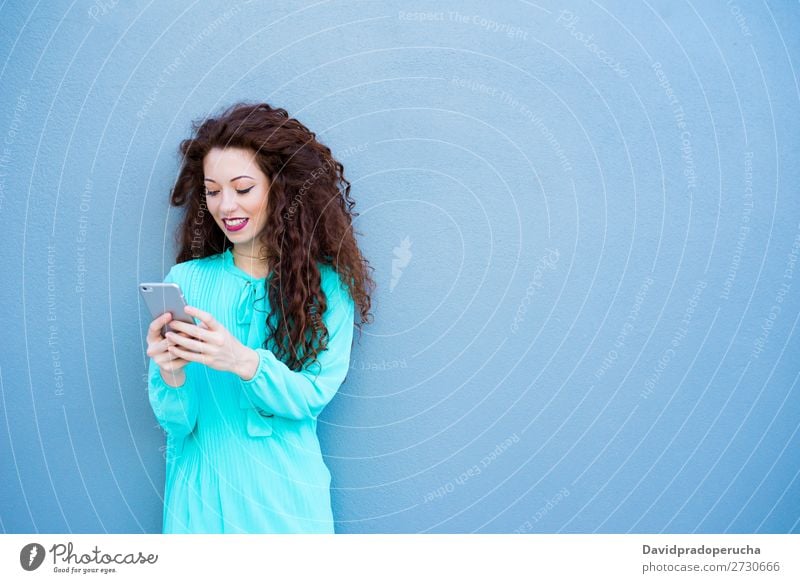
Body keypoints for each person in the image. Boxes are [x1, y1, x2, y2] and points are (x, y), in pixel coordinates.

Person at [145, 102, 374, 533]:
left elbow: (311, 397)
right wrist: (170, 372)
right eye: (213, 191)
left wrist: (241, 361)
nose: (225, 204)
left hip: (285, 502)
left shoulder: (328, 287)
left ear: (281, 188)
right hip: (201, 500)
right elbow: (178, 424)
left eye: (243, 187)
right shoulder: (186, 281)